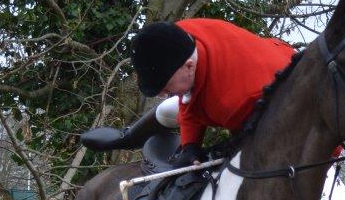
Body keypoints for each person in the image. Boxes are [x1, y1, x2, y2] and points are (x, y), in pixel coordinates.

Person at [124, 18, 297, 164]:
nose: (163, 95)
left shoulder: (233, 103)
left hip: (285, 95)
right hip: (255, 59)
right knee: (168, 108)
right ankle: (126, 137)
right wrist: (189, 145)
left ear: (189, 66)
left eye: (166, 88)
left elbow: (253, 144)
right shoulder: (177, 36)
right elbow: (190, 98)